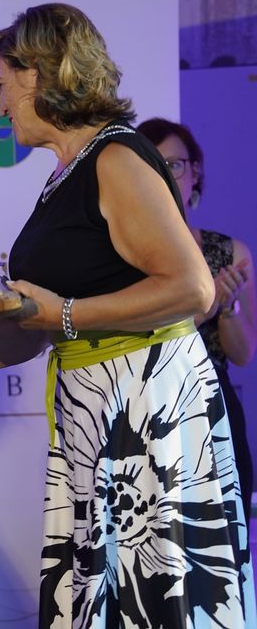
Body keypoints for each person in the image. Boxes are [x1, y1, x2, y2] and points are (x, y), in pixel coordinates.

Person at [0, 4, 256, 627]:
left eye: (2, 83)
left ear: (42, 74)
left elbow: (192, 289)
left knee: (153, 601)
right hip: (96, 409)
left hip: (145, 411)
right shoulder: (66, 172)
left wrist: (64, 313)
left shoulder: (117, 157)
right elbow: (27, 332)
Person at [139, 117, 256, 515]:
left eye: (174, 165)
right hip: (150, 407)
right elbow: (141, 341)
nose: (165, 176)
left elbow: (242, 354)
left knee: (224, 526)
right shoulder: (122, 257)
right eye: (153, 165)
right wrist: (206, 307)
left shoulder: (230, 253)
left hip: (212, 403)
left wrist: (227, 305)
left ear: (195, 173)